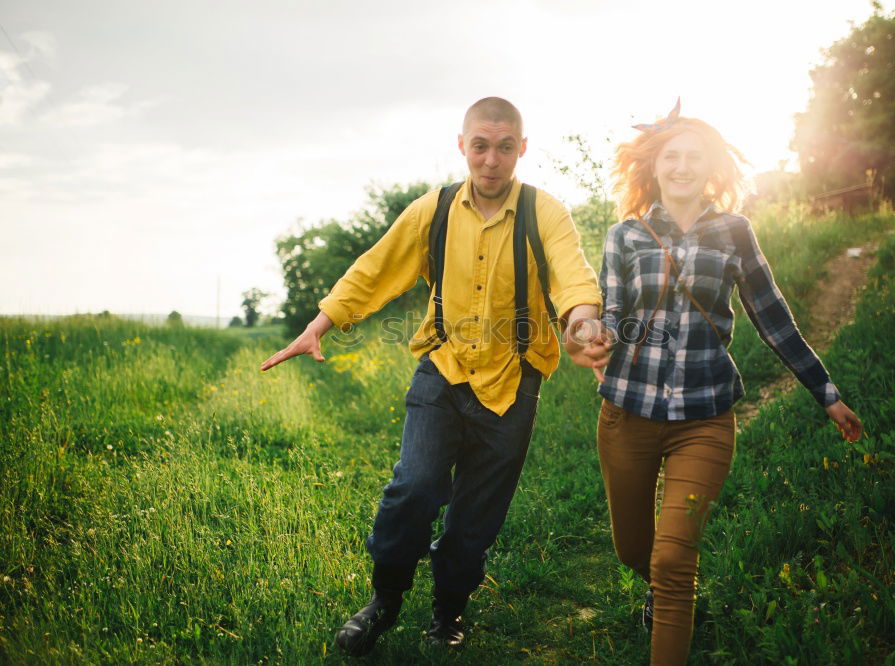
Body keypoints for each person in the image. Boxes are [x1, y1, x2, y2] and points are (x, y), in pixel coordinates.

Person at [260, 97, 608, 657]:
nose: (491, 159)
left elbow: (574, 277)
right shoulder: (435, 210)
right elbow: (376, 267)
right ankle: (385, 600)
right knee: (414, 487)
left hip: (514, 382)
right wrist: (320, 324)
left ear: (521, 148)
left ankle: (448, 613)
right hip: (442, 370)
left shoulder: (545, 212)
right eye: (480, 145)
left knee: (475, 519)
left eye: (503, 147)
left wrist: (584, 322)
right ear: (463, 146)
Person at [585, 101, 863, 666]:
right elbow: (612, 314)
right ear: (654, 165)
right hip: (628, 412)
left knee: (673, 559)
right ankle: (662, 592)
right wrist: (595, 336)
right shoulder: (624, 236)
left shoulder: (735, 232)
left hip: (706, 416)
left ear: (711, 167)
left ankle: (670, 600)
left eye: (695, 157)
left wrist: (826, 393)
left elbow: (773, 318)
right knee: (634, 550)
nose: (683, 166)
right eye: (672, 156)